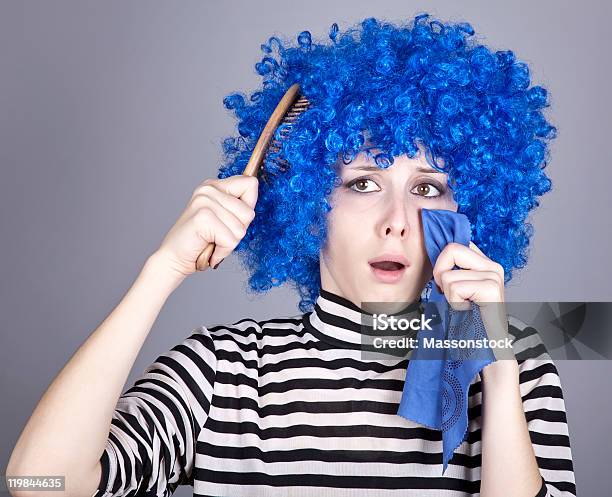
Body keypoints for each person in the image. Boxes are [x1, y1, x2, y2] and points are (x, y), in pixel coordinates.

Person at [7, 13, 576, 497]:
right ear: (308, 203)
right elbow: (40, 485)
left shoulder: (513, 363)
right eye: (363, 183)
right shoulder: (222, 370)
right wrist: (162, 272)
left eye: (427, 189)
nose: (397, 223)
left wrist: (499, 376)